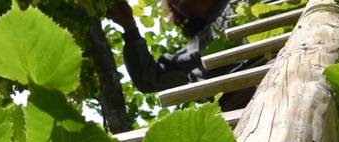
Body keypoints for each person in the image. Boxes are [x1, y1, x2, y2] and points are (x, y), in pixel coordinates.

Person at [106, 0, 259, 110]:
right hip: (240, 109)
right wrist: (128, 25)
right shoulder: (193, 50)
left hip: (274, 69)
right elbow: (149, 78)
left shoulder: (243, 4)